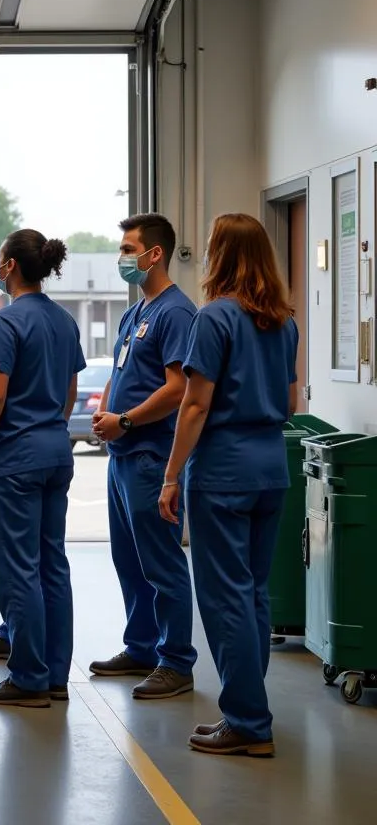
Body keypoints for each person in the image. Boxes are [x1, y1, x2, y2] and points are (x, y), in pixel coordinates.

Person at [161, 213, 298, 757]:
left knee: (224, 600)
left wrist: (171, 475)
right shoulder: (284, 322)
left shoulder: (214, 318)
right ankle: (249, 706)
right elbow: (289, 403)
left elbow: (194, 405)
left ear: (220, 254)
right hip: (271, 469)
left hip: (222, 473)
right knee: (254, 593)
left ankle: (246, 720)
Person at [0, 229, 84, 708]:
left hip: (17, 459)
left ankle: (27, 678)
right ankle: (55, 676)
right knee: (53, 564)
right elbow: (67, 393)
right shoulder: (65, 322)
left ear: (8, 267)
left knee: (18, 568)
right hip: (55, 451)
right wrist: (49, 428)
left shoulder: (6, 323)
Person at [82, 214, 198, 698]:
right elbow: (119, 371)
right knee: (128, 559)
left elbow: (178, 388)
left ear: (154, 254)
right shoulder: (136, 312)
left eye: (129, 249)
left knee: (162, 561)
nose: (123, 257)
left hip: (151, 453)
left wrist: (126, 420)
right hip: (122, 454)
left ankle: (176, 662)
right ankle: (142, 645)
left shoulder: (176, 312)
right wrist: (107, 411)